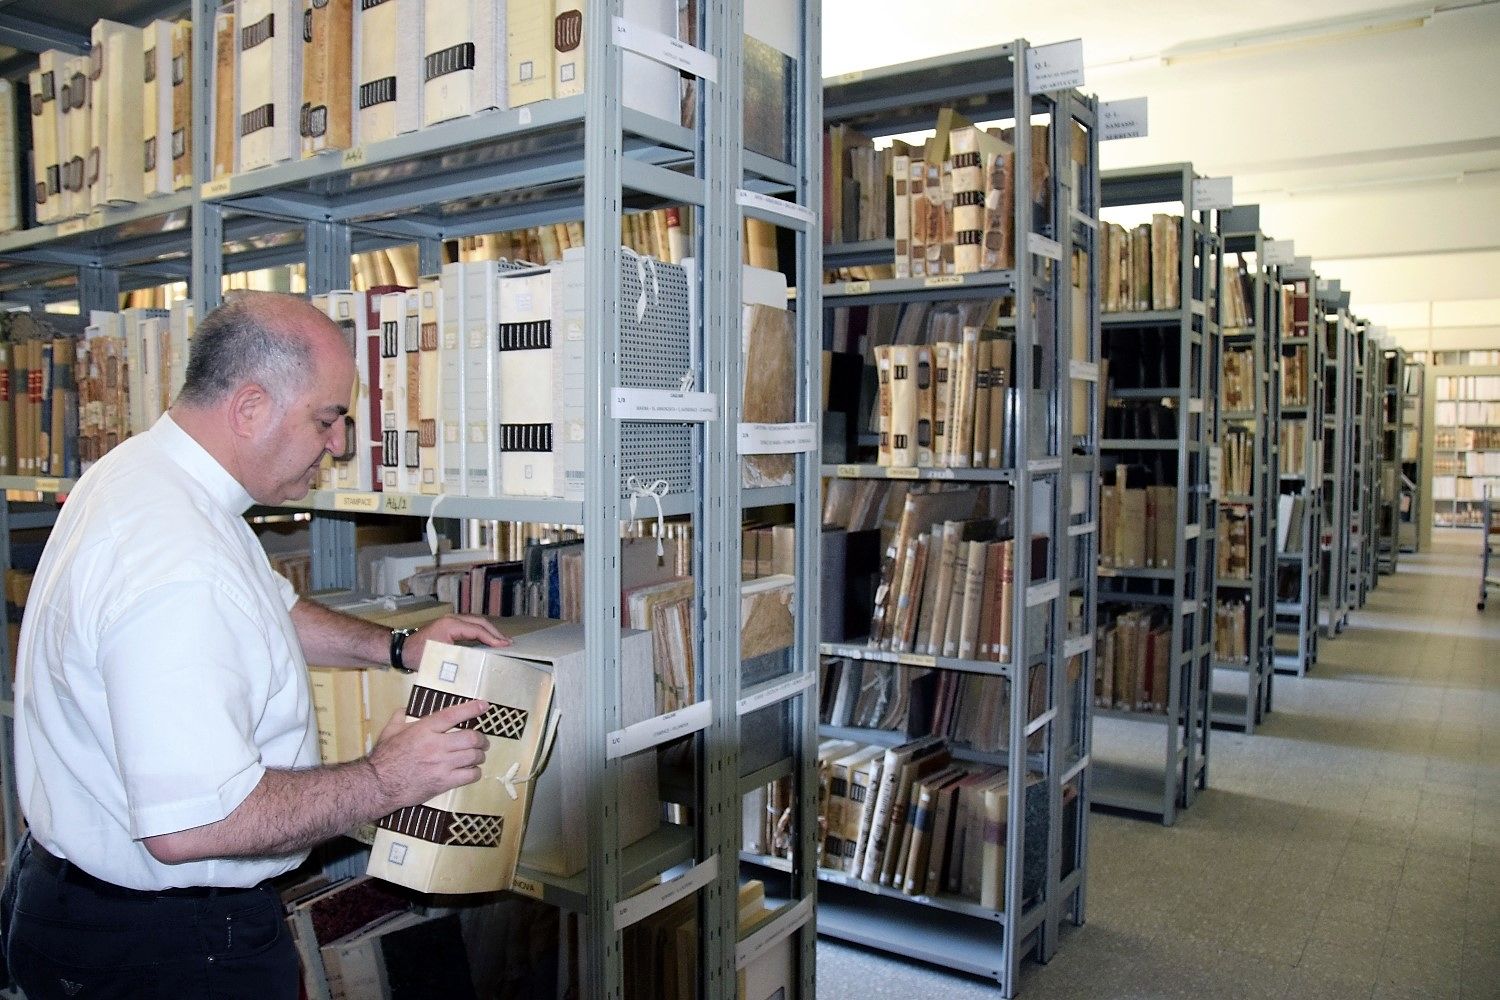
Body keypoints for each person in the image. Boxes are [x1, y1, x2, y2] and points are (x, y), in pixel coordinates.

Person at [3, 293, 506, 998]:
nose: (338, 445)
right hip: (165, 951)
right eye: (326, 419)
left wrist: (396, 648)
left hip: (90, 908)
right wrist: (387, 780)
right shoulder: (178, 562)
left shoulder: (153, 477)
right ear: (249, 408)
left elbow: (271, 610)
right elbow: (198, 821)